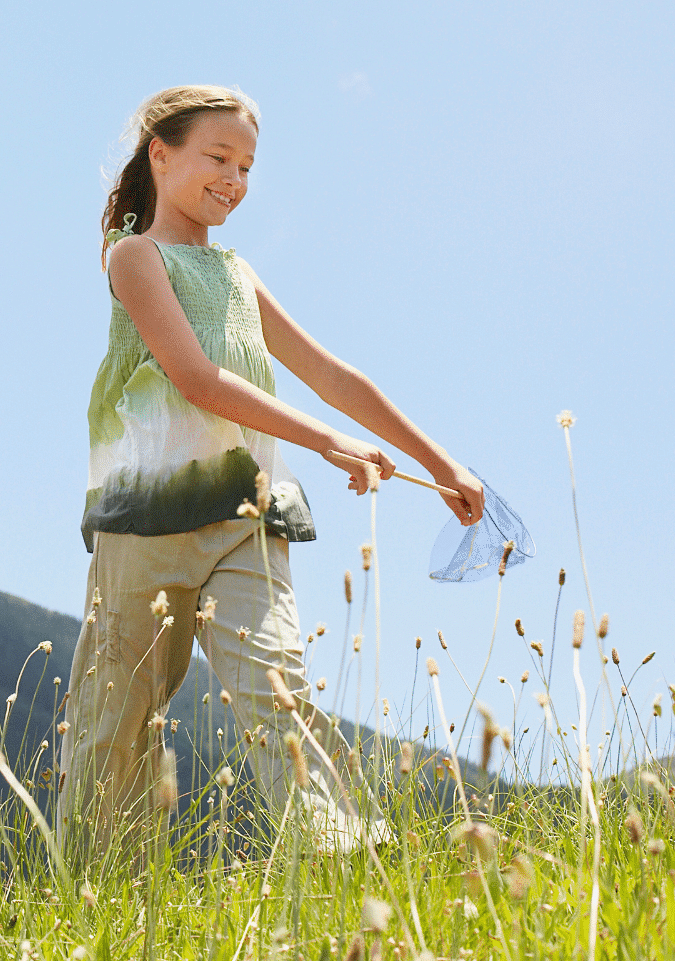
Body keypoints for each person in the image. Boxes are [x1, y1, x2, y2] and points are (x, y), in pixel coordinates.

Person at [60, 85, 485, 859]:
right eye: (218, 157)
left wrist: (441, 460)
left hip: (247, 518)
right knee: (115, 726)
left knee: (276, 688)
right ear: (162, 153)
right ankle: (94, 901)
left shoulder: (238, 275)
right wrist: (328, 443)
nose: (235, 178)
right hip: (143, 524)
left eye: (247, 165)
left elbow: (335, 376)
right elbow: (196, 378)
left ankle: (345, 862)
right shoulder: (134, 257)